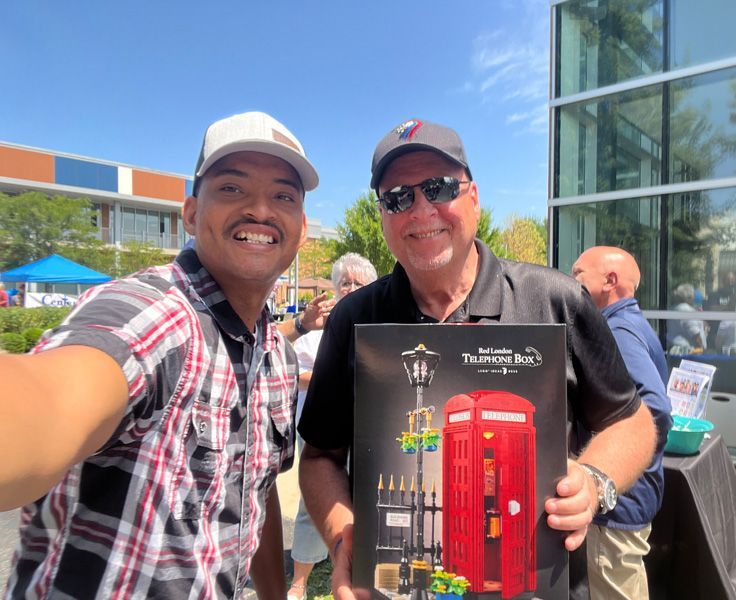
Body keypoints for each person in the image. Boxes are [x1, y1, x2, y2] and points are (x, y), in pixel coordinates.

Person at [297, 118, 656, 599]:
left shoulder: (556, 300)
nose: (421, 209)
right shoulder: (353, 320)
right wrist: (345, 534)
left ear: (474, 197)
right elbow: (319, 455)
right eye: (398, 197)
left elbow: (632, 422)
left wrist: (593, 482)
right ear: (383, 216)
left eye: (439, 187)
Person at [0, 110, 318, 599]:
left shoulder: (276, 355)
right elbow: (45, 402)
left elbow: (256, 491)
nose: (260, 210)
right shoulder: (154, 315)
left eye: (283, 196)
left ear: (299, 227)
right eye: (232, 188)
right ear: (190, 214)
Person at [572, 246, 673, 600]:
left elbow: (655, 408)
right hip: (628, 495)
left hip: (616, 501)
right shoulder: (632, 324)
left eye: (578, 275)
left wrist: (604, 466)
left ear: (610, 281)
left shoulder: (616, 331)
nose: (572, 285)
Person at [287, 253, 377, 600]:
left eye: (359, 283)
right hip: (319, 431)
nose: (352, 289)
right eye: (346, 282)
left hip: (366, 429)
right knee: (314, 504)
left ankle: (358, 563)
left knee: (364, 498)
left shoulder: (376, 330)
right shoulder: (315, 335)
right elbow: (296, 375)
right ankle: (299, 580)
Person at [667, 283, 707, 353]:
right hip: (688, 351)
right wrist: (702, 349)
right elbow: (695, 333)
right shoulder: (686, 310)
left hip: (675, 349)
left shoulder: (674, 308)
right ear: (690, 296)